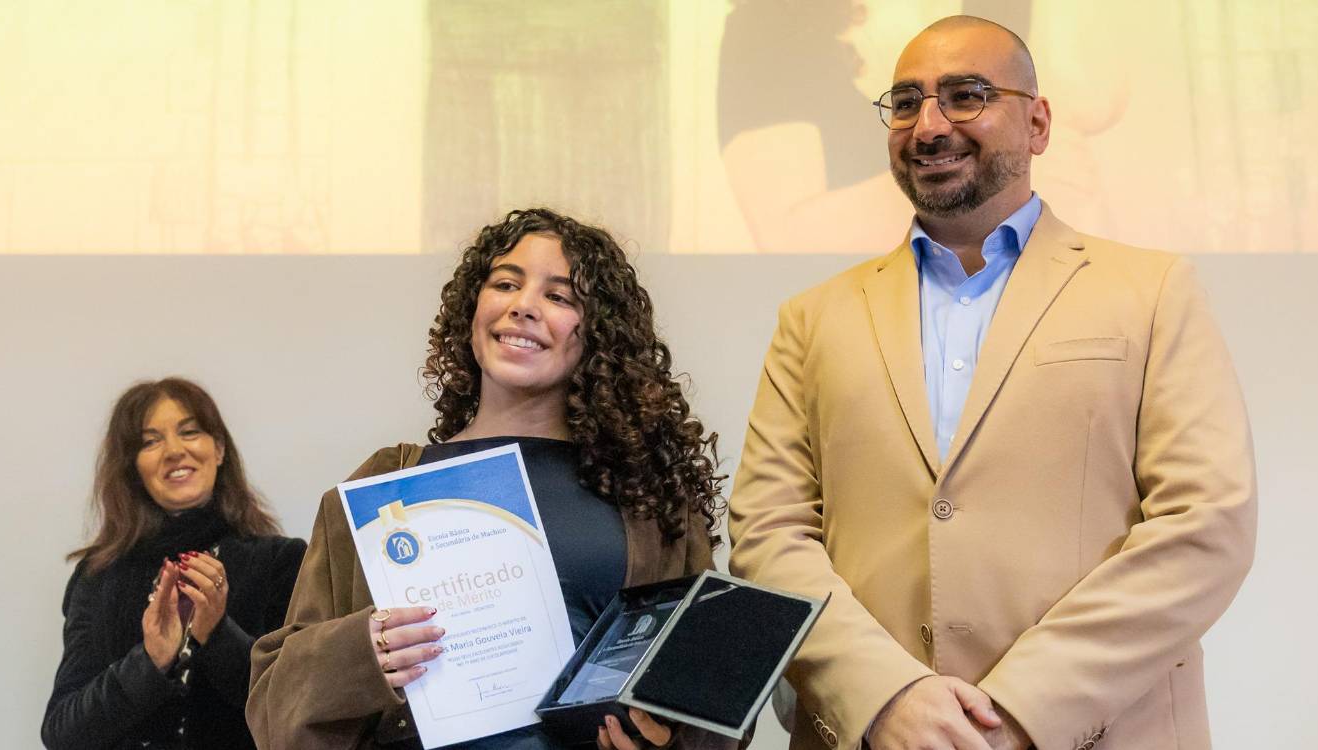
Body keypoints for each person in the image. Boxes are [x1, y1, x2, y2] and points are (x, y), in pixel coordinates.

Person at [728, 15, 1256, 750]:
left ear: (1037, 123)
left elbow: (1205, 527)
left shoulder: (1154, 290)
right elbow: (767, 534)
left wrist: (1018, 710)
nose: (930, 125)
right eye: (907, 102)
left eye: (966, 95)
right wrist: (886, 698)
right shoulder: (811, 318)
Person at [247, 208, 727, 750]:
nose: (523, 306)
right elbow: (274, 707)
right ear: (472, 310)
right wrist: (366, 652)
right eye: (505, 283)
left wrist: (663, 741)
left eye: (560, 296)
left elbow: (714, 701)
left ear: (598, 334)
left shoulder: (647, 497)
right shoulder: (386, 483)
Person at [42, 377, 307, 749]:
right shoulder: (97, 577)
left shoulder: (281, 561)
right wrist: (149, 660)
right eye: (150, 441)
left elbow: (300, 706)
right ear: (132, 467)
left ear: (218, 449)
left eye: (190, 431)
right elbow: (63, 733)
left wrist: (216, 634)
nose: (174, 450)